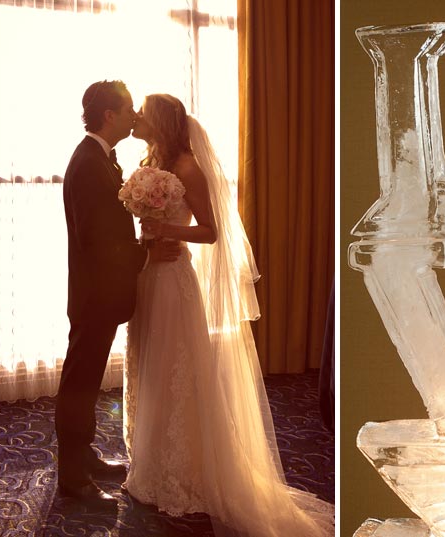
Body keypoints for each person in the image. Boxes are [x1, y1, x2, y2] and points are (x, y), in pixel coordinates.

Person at [123, 93, 333, 535]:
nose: (138, 118)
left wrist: (166, 230)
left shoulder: (187, 168)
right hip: (150, 276)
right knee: (151, 365)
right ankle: (152, 463)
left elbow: (211, 230)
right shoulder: (152, 165)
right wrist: (146, 237)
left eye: (144, 113)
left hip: (175, 280)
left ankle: (184, 472)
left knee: (177, 369)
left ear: (161, 122)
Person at [57, 81, 180, 509]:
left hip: (99, 293)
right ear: (109, 115)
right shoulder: (89, 162)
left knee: (86, 382)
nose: (133, 117)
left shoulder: (100, 158)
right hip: (94, 295)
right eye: (128, 110)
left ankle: (84, 457)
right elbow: (98, 240)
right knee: (79, 383)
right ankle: (72, 478)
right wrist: (146, 252)